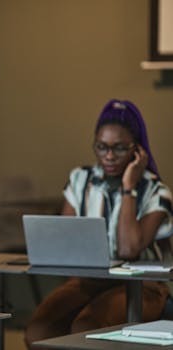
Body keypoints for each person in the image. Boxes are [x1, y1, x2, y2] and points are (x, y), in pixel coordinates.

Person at [25, 99, 173, 348]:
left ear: (137, 150)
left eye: (119, 148)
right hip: (88, 280)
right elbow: (64, 242)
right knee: (38, 332)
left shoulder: (157, 192)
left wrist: (129, 189)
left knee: (86, 327)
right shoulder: (81, 180)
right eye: (101, 147)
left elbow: (128, 249)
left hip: (143, 287)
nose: (109, 156)